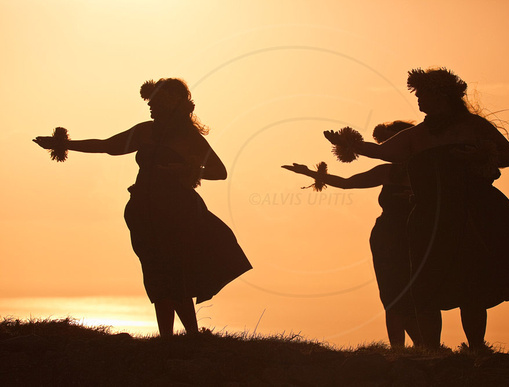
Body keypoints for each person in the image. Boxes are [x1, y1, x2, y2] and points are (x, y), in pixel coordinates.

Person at [324, 68, 509, 350]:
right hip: (429, 218)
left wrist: (480, 154)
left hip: (474, 213)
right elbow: (384, 152)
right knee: (424, 285)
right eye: (418, 95)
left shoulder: (474, 126)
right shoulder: (416, 135)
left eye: (424, 94)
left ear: (442, 95)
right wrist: (348, 144)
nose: (419, 100)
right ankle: (430, 351)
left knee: (472, 285)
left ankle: (476, 348)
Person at [34, 78, 252, 337]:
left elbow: (219, 171)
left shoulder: (189, 138)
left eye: (156, 102)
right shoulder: (145, 131)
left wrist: (187, 169)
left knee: (174, 271)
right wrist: (63, 144)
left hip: (177, 211)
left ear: (171, 104)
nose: (150, 107)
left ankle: (192, 336)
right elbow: (107, 146)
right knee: (155, 271)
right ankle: (167, 339)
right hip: (143, 210)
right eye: (150, 102)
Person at [283, 121, 422, 348]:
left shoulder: (430, 174)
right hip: (388, 240)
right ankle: (401, 350)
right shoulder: (388, 172)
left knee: (415, 295)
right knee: (392, 295)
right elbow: (347, 184)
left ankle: (424, 347)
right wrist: (308, 172)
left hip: (417, 238)